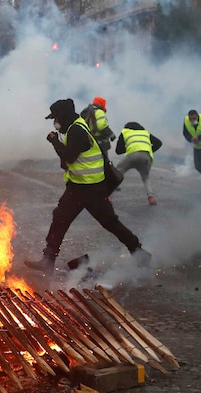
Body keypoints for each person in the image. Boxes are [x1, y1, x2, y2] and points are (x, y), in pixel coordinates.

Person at [24, 98, 151, 273]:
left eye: (56, 118)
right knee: (59, 219)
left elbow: (69, 156)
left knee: (110, 223)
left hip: (92, 189)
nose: (55, 122)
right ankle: (48, 260)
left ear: (63, 116)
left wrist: (54, 141)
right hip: (77, 187)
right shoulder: (74, 127)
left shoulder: (77, 130)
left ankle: (139, 252)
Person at [115, 121, 163, 205]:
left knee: (115, 173)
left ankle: (108, 196)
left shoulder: (125, 132)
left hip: (132, 156)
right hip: (146, 156)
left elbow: (118, 151)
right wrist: (149, 150)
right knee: (146, 177)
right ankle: (151, 197)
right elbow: (159, 143)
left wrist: (129, 147)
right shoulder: (145, 133)